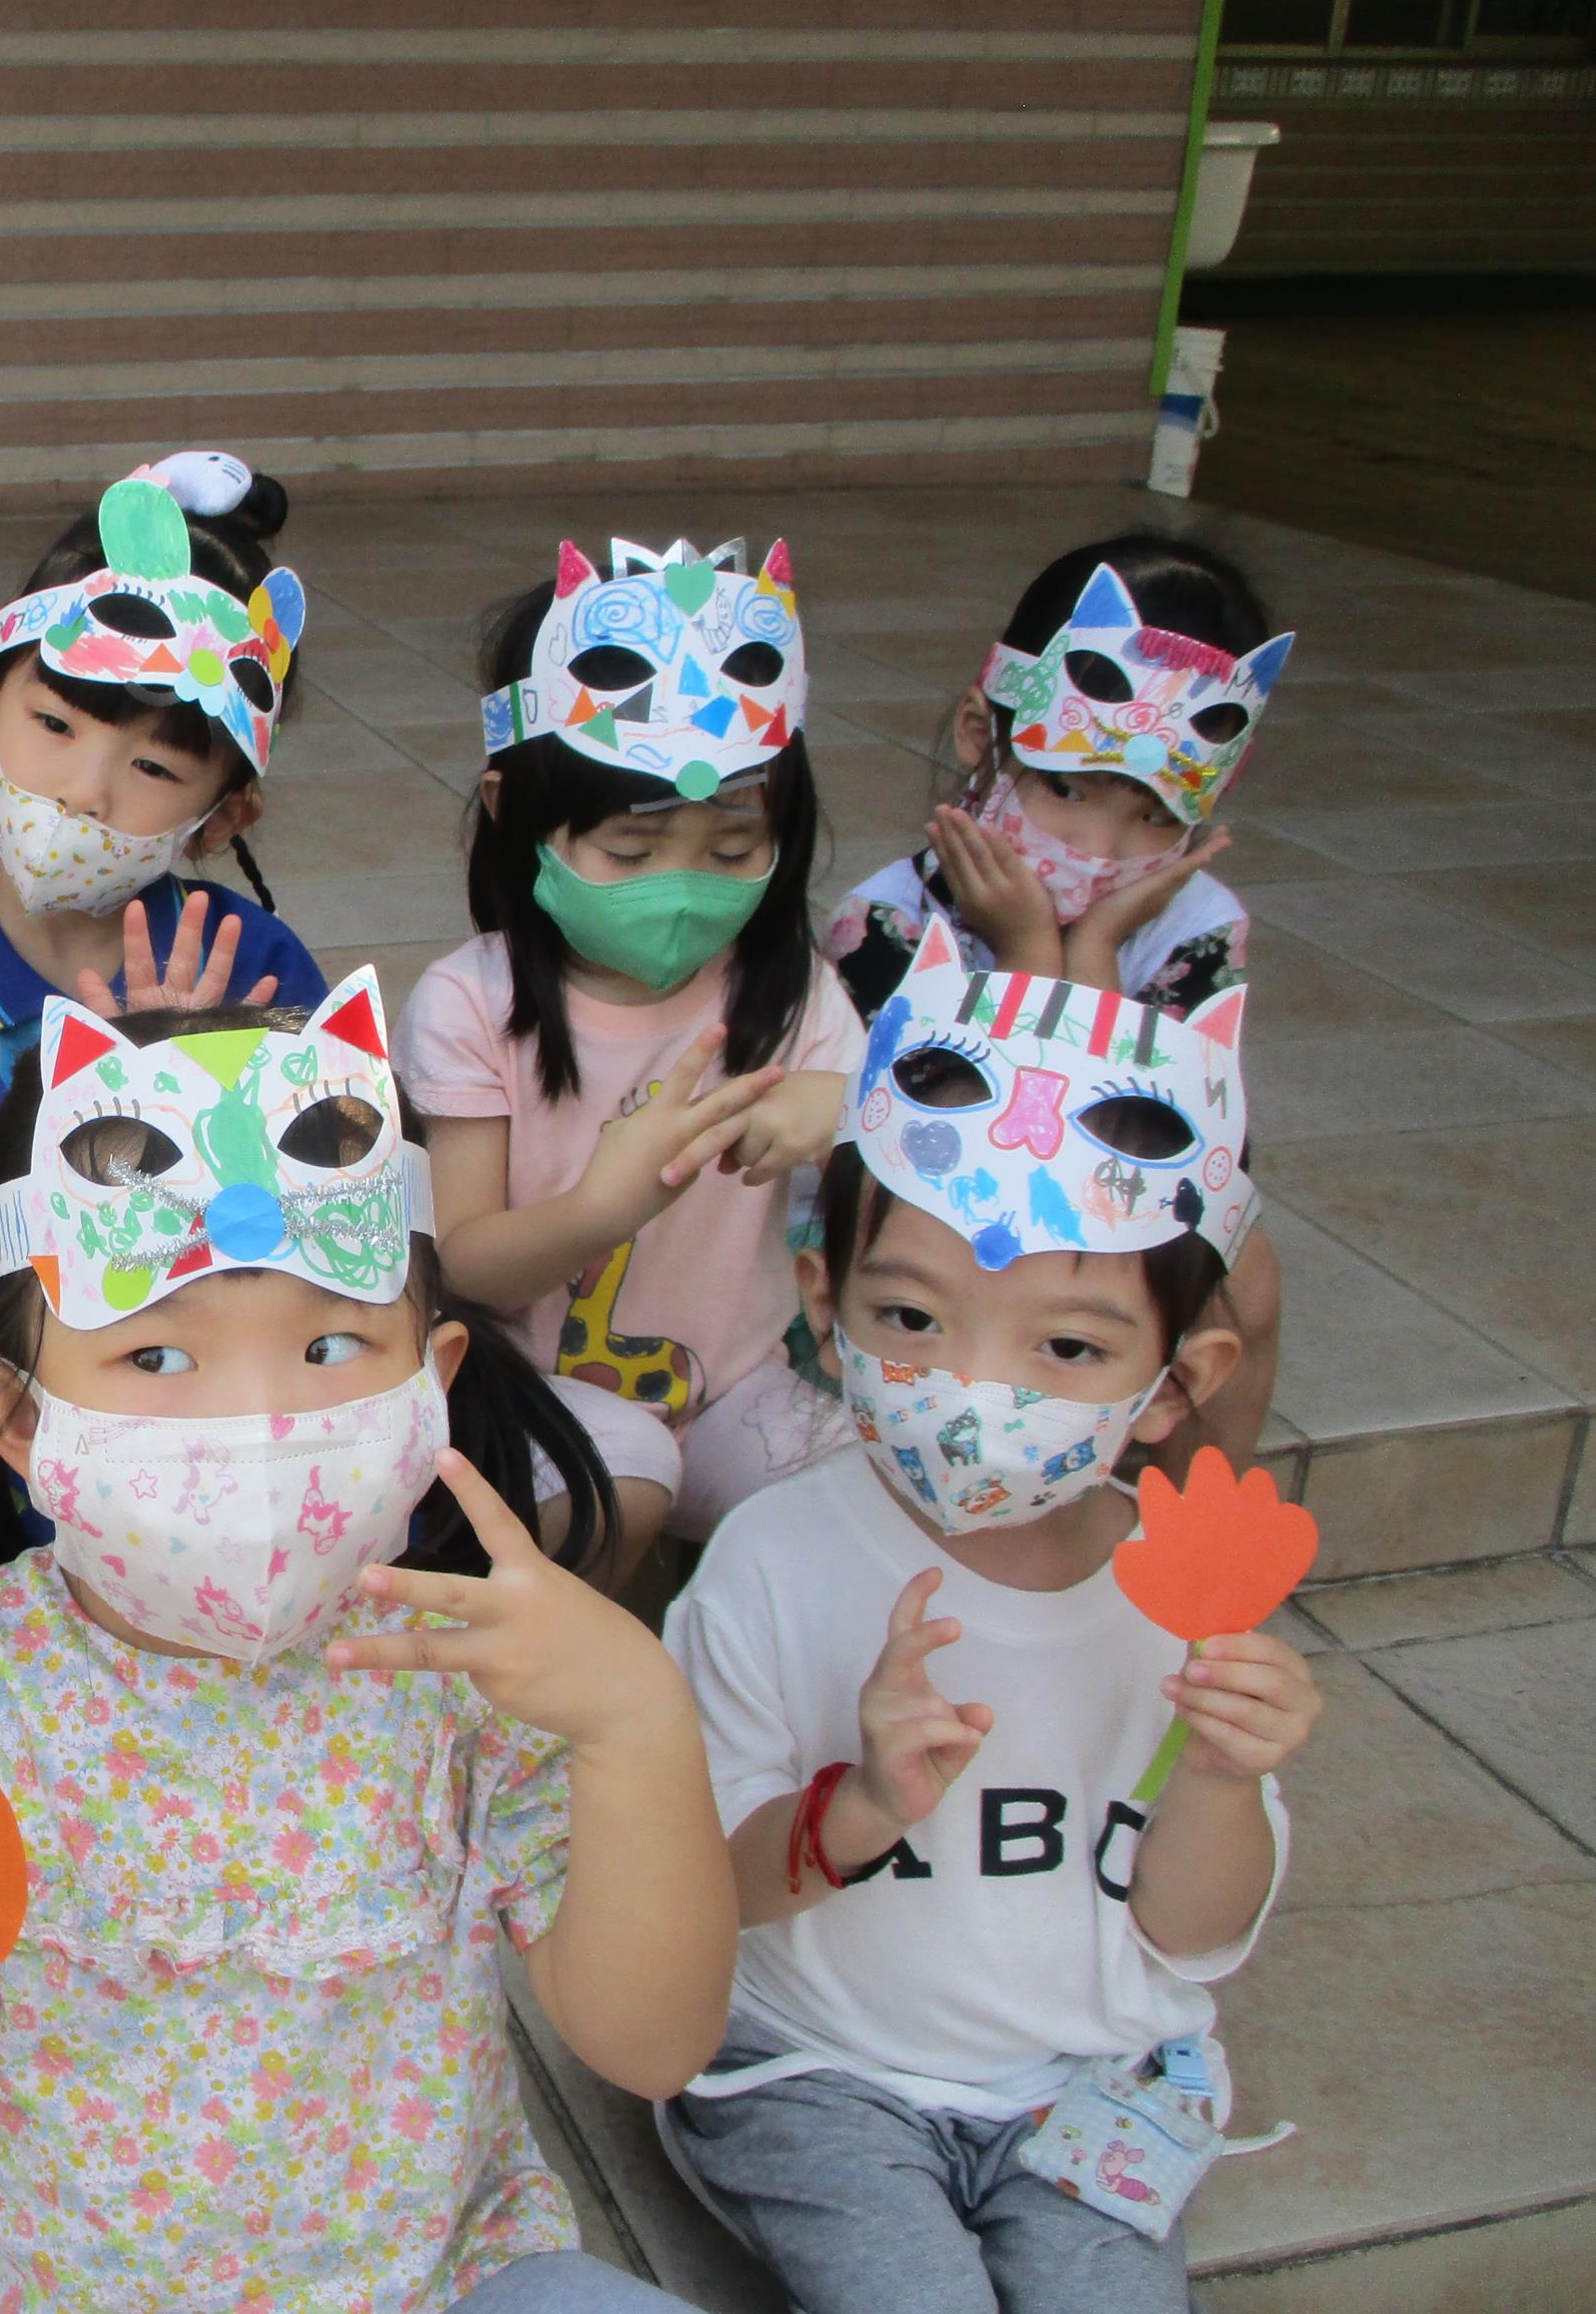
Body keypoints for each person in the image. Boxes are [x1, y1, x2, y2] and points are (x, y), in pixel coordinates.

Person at [0, 978, 734, 2314]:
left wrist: (637, 1725)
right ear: (17, 1418)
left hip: (426, 2281)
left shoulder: (468, 1671)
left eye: (330, 1342)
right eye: (157, 1359)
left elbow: (649, 2042)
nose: (255, 1423)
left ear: (433, 1377)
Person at [658, 916, 1322, 2314]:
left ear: (1176, 1381)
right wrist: (855, 1804)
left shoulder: (1184, 1596)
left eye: (1067, 1345)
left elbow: (1192, 1934)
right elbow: (695, 1888)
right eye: (911, 1318)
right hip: (810, 2069)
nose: (975, 1388)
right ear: (822, 1298)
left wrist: (1220, 1775)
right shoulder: (770, 1558)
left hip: (1085, 2083)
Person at [0, 450, 326, 1515]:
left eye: (154, 768)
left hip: (199, 1321)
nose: (83, 793)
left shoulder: (253, 966)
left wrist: (181, 1081)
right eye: (53, 726)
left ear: (222, 816)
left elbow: (313, 1221)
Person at [397, 537, 864, 1582]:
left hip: (737, 1381)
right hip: (524, 1382)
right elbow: (463, 1262)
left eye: (731, 849)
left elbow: (897, 1190)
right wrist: (604, 1206)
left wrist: (848, 1114)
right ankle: (563, 1671)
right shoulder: (472, 1003)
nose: (683, 884)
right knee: (622, 1478)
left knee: (865, 1497)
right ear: (513, 811)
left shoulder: (796, 995)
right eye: (630, 850)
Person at [819, 534, 1296, 1474]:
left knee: (1250, 1279)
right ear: (980, 733)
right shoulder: (885, 921)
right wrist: (1030, 953)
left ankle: (1194, 1524)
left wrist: (1097, 954)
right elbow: (918, 1144)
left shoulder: (1196, 927)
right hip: (928, 1220)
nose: (1099, 846)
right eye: (1064, 789)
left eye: (1152, 815)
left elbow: (1185, 1153)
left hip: (1111, 1221)